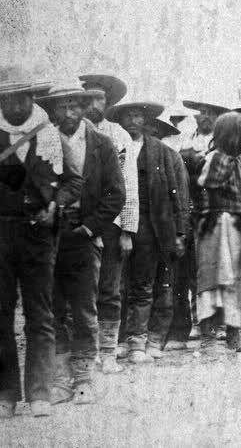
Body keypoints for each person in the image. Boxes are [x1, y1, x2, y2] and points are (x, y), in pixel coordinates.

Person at [35, 84, 123, 406]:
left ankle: (84, 377)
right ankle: (60, 377)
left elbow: (116, 194)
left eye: (75, 106)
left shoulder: (102, 143)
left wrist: (90, 228)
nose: (69, 113)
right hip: (49, 235)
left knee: (84, 308)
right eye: (62, 107)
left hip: (84, 234)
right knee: (54, 307)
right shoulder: (43, 141)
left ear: (85, 107)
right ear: (53, 110)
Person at [0, 67, 73, 418]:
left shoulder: (50, 135)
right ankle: (6, 393)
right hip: (1, 234)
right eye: (7, 100)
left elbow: (73, 181)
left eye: (21, 98)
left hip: (38, 236)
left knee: (40, 314)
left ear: (32, 98)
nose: (15, 106)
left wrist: (56, 205)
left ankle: (40, 392)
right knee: (0, 314)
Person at [110, 100, 190, 362]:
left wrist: (180, 233)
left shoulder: (165, 154)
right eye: (127, 116)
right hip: (120, 223)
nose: (133, 121)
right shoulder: (114, 148)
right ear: (120, 121)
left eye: (138, 116)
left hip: (155, 226)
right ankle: (124, 338)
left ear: (145, 121)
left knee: (155, 284)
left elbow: (179, 196)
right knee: (120, 285)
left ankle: (151, 339)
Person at [78, 73, 138, 369]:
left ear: (108, 102)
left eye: (99, 98)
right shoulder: (72, 131)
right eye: (87, 98)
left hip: (111, 222)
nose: (93, 104)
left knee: (110, 288)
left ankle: (108, 352)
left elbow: (128, 183)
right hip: (80, 223)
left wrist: (128, 229)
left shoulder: (118, 135)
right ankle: (83, 353)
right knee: (80, 289)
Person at [195, 112, 241, 353]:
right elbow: (208, 185)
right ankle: (208, 339)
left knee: (238, 282)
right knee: (212, 281)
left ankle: (234, 337)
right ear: (227, 134)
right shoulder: (217, 158)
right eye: (240, 131)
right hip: (217, 226)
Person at [174, 100, 230, 349]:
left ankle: (220, 322)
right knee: (193, 269)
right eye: (201, 112)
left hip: (217, 211)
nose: (205, 117)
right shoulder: (185, 140)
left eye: (211, 113)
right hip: (192, 210)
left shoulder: (223, 144)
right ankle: (199, 320)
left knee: (218, 269)